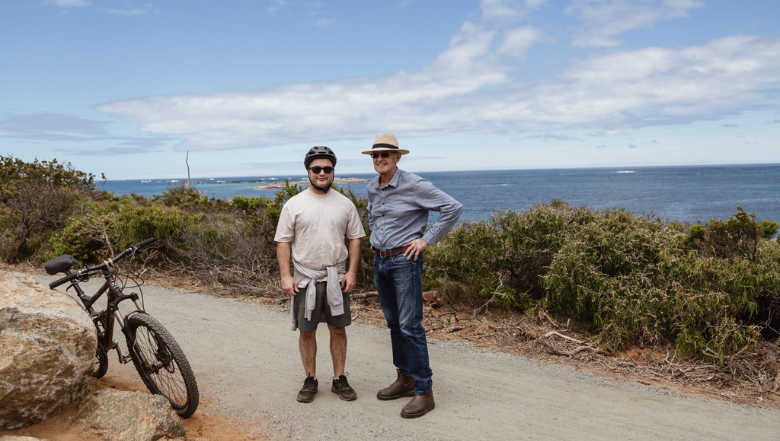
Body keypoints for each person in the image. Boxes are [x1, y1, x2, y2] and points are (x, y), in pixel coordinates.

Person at [363, 133, 463, 418]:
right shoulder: (372, 187)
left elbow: (453, 208)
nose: (379, 159)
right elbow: (374, 215)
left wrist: (426, 240)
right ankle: (405, 378)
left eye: (385, 154)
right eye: (375, 155)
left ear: (397, 157)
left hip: (405, 261)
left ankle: (424, 391)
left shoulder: (414, 184)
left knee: (410, 326)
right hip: (380, 261)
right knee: (394, 323)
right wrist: (374, 238)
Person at [274, 146, 366, 403]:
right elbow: (283, 242)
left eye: (327, 168)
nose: (322, 173)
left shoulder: (345, 204)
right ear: (308, 172)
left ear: (333, 171)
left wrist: (351, 272)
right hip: (305, 279)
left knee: (338, 330)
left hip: (337, 278)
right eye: (317, 169)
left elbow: (355, 239)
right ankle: (310, 379)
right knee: (307, 331)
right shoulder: (294, 204)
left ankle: (339, 379)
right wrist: (285, 276)